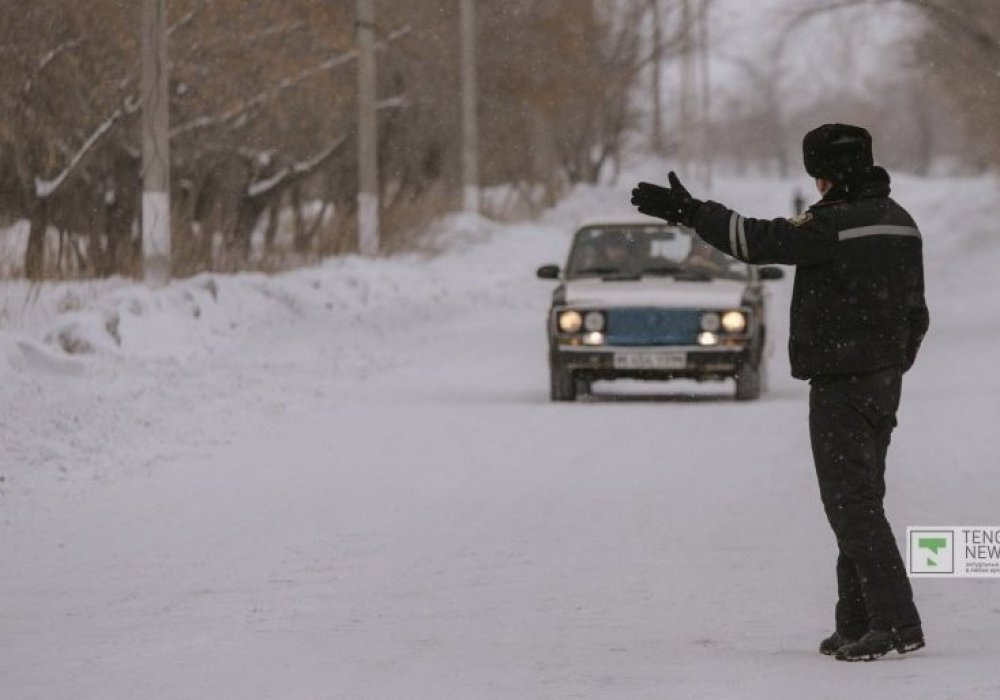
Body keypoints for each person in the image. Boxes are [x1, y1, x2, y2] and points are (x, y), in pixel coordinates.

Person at [631, 123, 929, 662]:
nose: (814, 184)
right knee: (860, 501)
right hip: (883, 382)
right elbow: (917, 311)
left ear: (828, 175)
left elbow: (757, 240)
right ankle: (856, 619)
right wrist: (892, 363)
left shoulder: (831, 225)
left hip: (841, 383)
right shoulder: (900, 221)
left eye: (816, 173)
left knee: (851, 504)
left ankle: (896, 621)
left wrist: (692, 212)